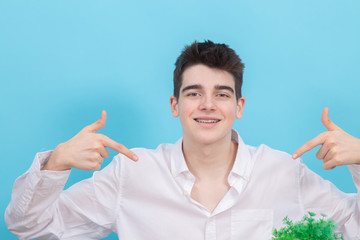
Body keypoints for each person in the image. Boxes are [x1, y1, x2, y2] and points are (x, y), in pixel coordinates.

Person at [5, 41, 360, 239]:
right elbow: (30, 227)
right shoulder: (131, 174)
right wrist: (55, 164)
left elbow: (353, 226)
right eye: (194, 93)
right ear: (175, 105)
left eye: (222, 94)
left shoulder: (283, 171)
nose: (208, 105)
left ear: (239, 106)